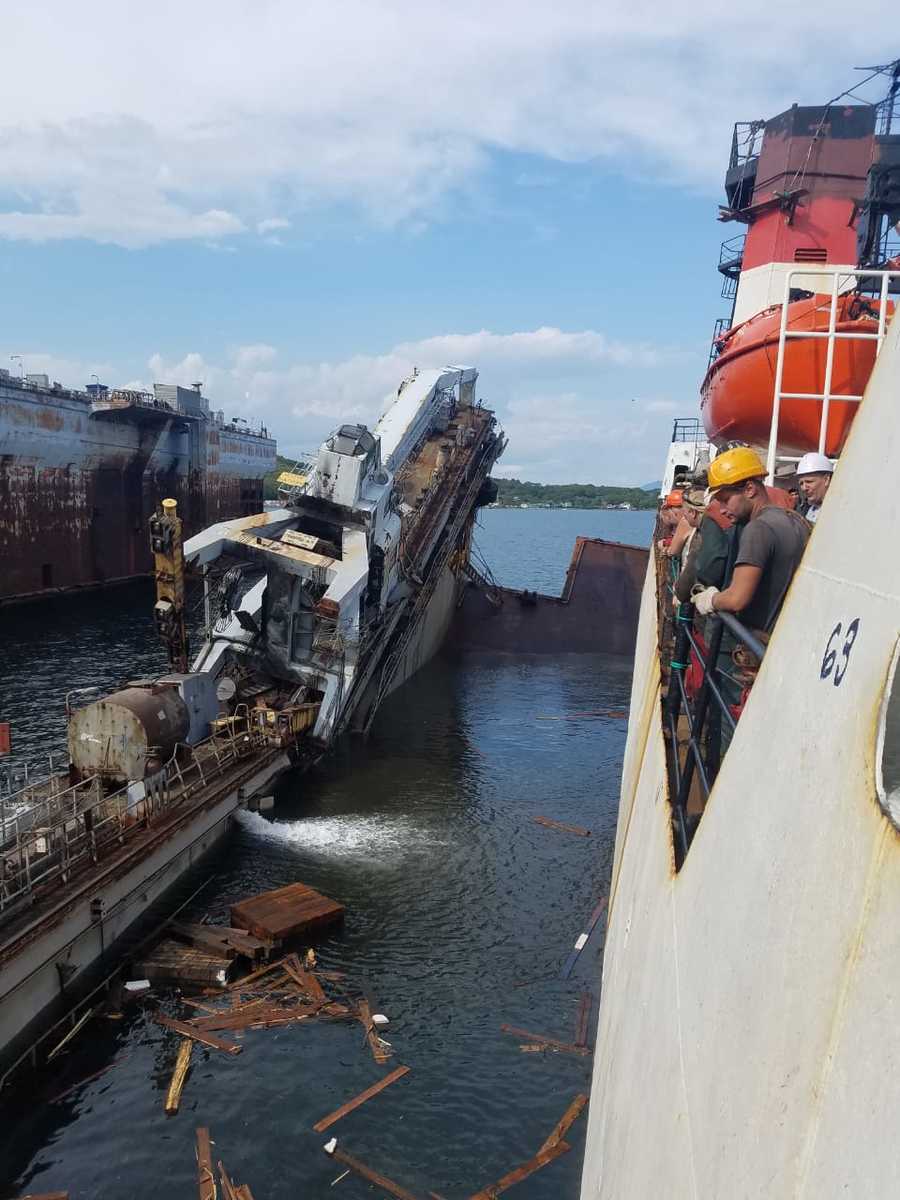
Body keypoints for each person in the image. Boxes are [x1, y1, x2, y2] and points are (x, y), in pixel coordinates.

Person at [692, 447, 810, 635]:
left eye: (725, 500)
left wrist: (710, 599)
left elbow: (736, 598)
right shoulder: (796, 519)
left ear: (749, 489)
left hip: (761, 646)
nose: (721, 509)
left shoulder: (758, 529)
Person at [795, 452, 834, 524]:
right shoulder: (803, 511)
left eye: (809, 482)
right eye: (801, 483)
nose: (804, 488)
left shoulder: (840, 510)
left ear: (826, 480)